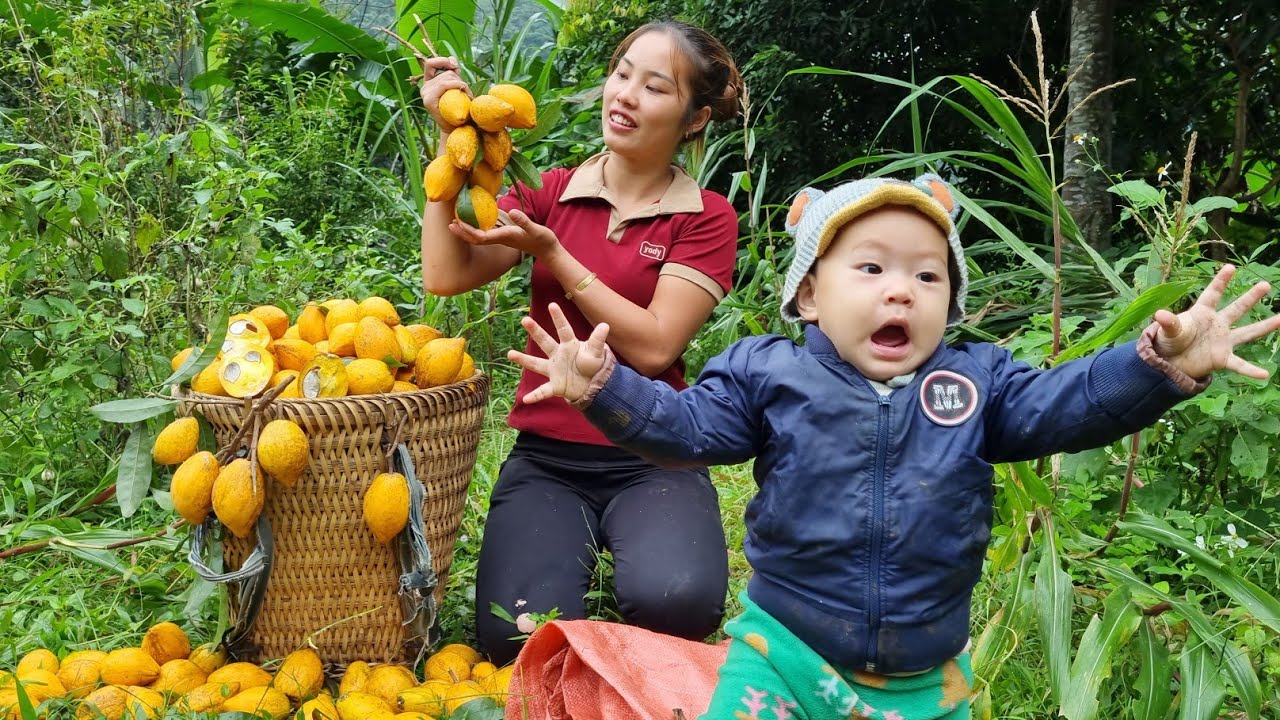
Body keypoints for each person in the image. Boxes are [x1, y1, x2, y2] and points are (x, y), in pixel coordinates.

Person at [507, 173, 1280, 719]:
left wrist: (1155, 366)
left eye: (928, 276)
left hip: (926, 678)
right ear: (810, 294)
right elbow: (688, 429)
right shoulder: (768, 374)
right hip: (784, 654)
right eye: (871, 267)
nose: (901, 289)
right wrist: (606, 386)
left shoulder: (980, 382)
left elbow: (1067, 404)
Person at [417, 22, 747, 664]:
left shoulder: (706, 216)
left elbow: (654, 348)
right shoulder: (549, 192)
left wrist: (556, 256)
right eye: (622, 74)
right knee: (516, 638)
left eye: (655, 87)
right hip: (548, 458)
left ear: (695, 118)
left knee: (678, 606)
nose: (625, 94)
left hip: (656, 452)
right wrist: (450, 144)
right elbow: (446, 273)